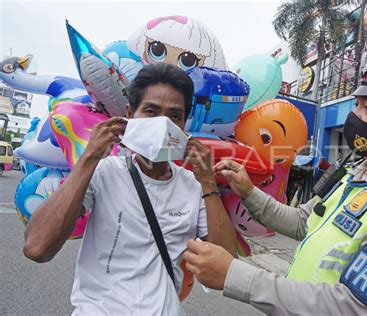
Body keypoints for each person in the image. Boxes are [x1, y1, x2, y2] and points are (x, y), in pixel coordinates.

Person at [183, 37, 367, 315]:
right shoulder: (352, 173)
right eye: (356, 105)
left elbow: (355, 308)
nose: (355, 117)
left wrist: (235, 275)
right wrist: (247, 190)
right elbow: (300, 223)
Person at [23, 63, 236, 315]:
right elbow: (37, 247)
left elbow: (226, 266)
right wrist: (89, 158)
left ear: (183, 126)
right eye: (150, 111)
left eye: (174, 116)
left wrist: (208, 183)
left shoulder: (193, 186)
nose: (162, 124)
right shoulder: (104, 172)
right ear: (129, 114)